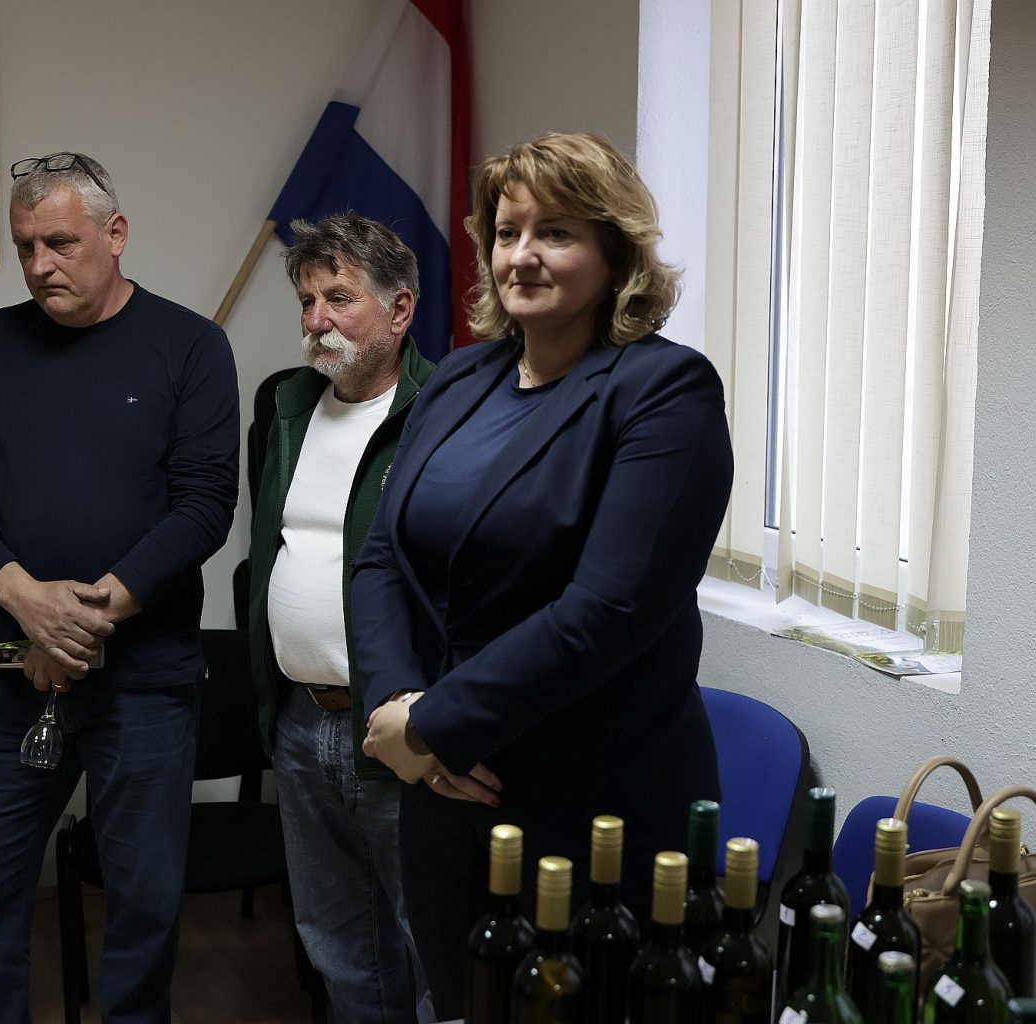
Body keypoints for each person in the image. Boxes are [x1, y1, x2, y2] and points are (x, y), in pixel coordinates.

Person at [354, 131, 734, 1017]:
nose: (522, 254)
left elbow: (609, 608)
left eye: (555, 232)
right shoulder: (460, 379)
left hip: (595, 803)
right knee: (464, 1001)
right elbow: (382, 555)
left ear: (615, 251)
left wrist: (437, 722)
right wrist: (397, 704)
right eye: (506, 231)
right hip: (447, 791)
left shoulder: (666, 391)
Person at [0, 151, 239, 1024]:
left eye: (59, 243)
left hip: (145, 677)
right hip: (19, 666)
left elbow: (205, 507)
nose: (39, 265)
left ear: (116, 234)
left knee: (144, 903)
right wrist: (26, 602)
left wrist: (83, 621)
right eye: (24, 246)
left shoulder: (190, 345)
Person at [247, 215, 436, 1024]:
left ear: (400, 310)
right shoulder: (287, 406)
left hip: (397, 724)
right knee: (336, 939)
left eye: (340, 298)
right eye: (307, 301)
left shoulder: (445, 411)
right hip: (300, 720)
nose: (317, 319)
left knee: (430, 937)